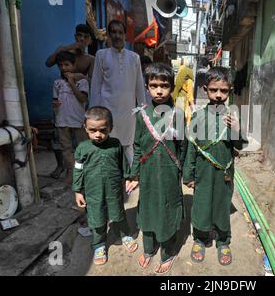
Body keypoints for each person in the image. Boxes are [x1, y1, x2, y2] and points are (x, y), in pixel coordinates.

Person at [183, 67, 247, 266]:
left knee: (221, 205)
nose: (218, 95)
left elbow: (239, 145)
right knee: (201, 206)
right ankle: (200, 238)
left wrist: (236, 130)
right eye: (213, 90)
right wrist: (189, 174)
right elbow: (191, 149)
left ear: (230, 90)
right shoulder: (197, 117)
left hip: (224, 173)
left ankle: (223, 240)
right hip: (202, 172)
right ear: (205, 90)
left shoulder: (233, 117)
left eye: (224, 91)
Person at [128, 63, 186, 275]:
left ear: (172, 87)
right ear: (147, 87)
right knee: (148, 208)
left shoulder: (178, 114)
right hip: (148, 173)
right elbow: (136, 145)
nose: (159, 90)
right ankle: (149, 248)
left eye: (164, 85)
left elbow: (183, 146)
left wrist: (184, 173)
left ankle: (168, 252)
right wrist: (133, 174)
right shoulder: (142, 114)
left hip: (170, 172)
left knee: (168, 210)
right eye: (154, 86)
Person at [72, 106, 139, 266]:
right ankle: (99, 245)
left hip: (114, 189)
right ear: (85, 128)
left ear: (111, 128)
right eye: (93, 130)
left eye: (103, 130)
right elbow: (78, 170)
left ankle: (124, 235)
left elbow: (123, 164)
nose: (98, 135)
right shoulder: (83, 148)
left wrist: (129, 177)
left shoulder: (116, 145)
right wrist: (77, 191)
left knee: (118, 213)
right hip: (92, 192)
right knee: (97, 220)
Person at [90, 20, 146, 164]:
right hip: (107, 108)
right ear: (109, 34)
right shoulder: (101, 55)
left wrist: (142, 110)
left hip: (129, 111)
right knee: (107, 144)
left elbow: (139, 86)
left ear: (125, 35)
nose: (117, 35)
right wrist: (94, 112)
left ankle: (131, 177)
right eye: (113, 32)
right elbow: (96, 84)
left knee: (128, 145)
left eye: (120, 32)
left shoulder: (134, 58)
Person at [46, 24, 95, 179]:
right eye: (78, 35)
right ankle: (65, 168)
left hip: (78, 103)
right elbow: (48, 63)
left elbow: (93, 81)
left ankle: (81, 170)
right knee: (61, 141)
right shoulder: (64, 53)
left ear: (90, 41)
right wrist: (69, 47)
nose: (81, 39)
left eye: (85, 37)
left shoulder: (90, 59)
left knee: (82, 142)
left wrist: (80, 77)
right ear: (75, 37)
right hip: (62, 101)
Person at [52, 51, 89, 186]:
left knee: (83, 147)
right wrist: (54, 105)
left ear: (74, 65)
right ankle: (71, 172)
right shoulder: (57, 83)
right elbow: (55, 100)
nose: (64, 68)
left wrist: (72, 82)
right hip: (62, 120)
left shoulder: (82, 82)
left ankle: (84, 173)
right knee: (66, 149)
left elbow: (82, 98)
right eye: (60, 65)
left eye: (67, 65)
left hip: (78, 120)